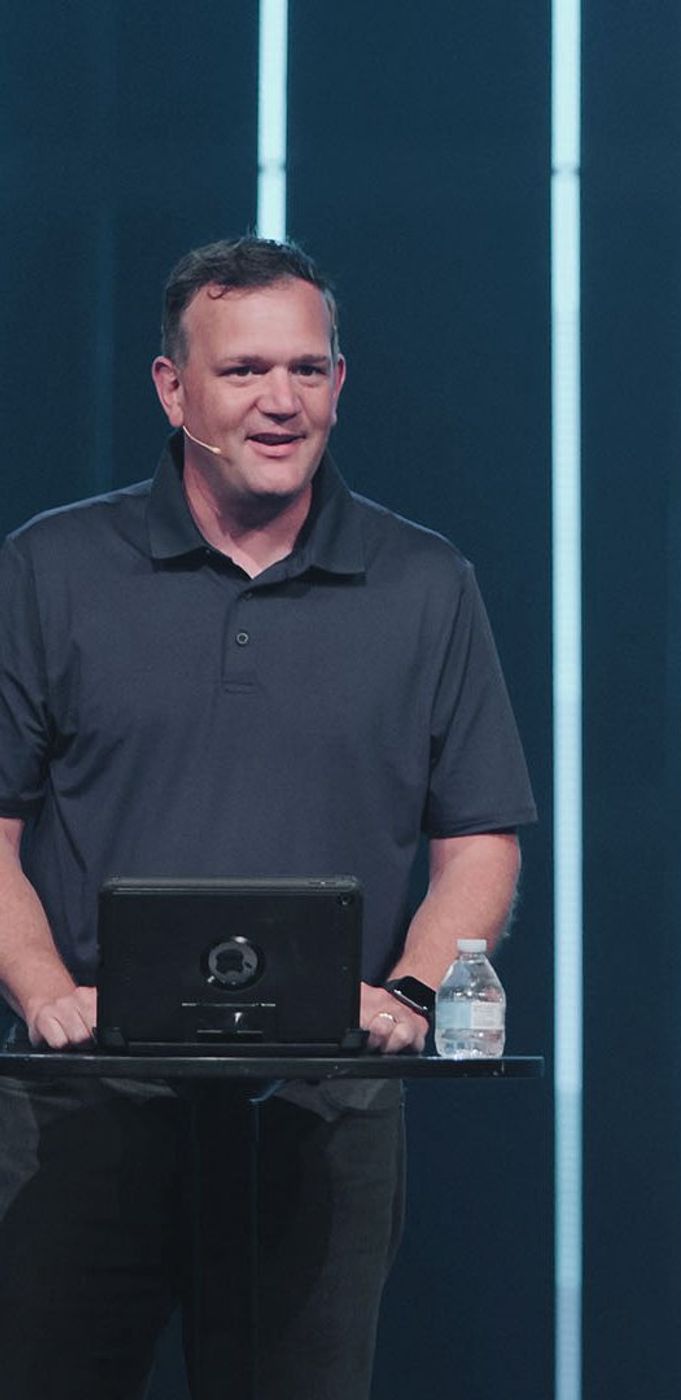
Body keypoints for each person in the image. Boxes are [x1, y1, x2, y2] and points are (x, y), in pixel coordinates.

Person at [0, 237, 536, 1398]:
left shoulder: (424, 582)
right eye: (243, 370)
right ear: (172, 388)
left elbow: (478, 840)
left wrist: (410, 994)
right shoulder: (50, 568)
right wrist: (43, 990)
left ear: (338, 382)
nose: (279, 399)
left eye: (305, 367)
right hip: (86, 1103)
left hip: (323, 1109)